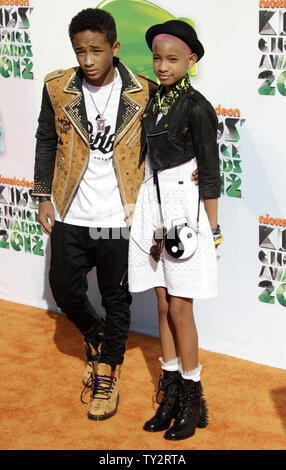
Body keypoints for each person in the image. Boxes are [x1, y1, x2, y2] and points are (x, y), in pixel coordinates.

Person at [128, 20, 223, 440]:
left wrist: (213, 230)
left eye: (172, 59)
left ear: (192, 60)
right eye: (157, 58)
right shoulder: (154, 101)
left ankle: (192, 397)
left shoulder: (198, 106)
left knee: (182, 307)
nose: (162, 66)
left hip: (186, 210)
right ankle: (168, 392)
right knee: (163, 304)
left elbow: (212, 172)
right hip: (155, 205)